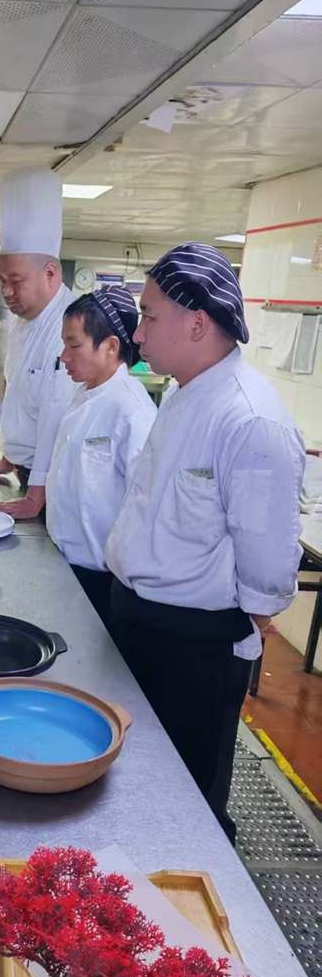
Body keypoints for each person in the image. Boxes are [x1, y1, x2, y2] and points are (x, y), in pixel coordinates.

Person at [105, 243, 305, 843]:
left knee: (188, 798)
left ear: (196, 323)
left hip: (194, 647)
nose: (138, 333)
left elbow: (267, 561)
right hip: (141, 622)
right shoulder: (184, 392)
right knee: (136, 780)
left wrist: (233, 621)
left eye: (149, 316)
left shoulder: (250, 418)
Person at [44, 287, 156, 627]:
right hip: (64, 564)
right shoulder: (85, 394)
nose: (64, 356)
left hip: (101, 579)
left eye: (74, 345)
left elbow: (145, 510)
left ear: (110, 346)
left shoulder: (132, 411)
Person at [0, 169, 75, 519]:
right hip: (26, 474)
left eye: (16, 280)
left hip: (51, 486)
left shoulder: (70, 327)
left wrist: (36, 497)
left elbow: (55, 419)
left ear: (51, 274)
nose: (6, 291)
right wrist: (9, 458)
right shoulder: (24, 321)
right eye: (1, 280)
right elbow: (19, 395)